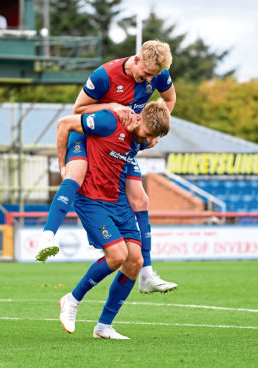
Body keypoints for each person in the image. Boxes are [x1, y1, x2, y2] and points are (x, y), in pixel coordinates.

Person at [37, 40, 178, 294]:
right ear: (137, 59)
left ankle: (146, 273)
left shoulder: (158, 74)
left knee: (141, 199)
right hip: (93, 129)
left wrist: (155, 127)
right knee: (76, 173)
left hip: (125, 138)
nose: (149, 80)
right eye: (146, 74)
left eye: (154, 76)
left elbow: (169, 100)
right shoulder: (104, 75)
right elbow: (77, 110)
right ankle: (48, 236)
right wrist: (113, 106)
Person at [56, 101, 171, 339]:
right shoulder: (112, 120)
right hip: (93, 197)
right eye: (148, 134)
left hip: (117, 197)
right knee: (118, 255)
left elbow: (150, 132)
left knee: (134, 261)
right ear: (139, 120)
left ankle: (104, 326)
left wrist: (148, 139)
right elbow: (69, 119)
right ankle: (72, 299)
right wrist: (63, 166)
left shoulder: (143, 134)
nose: (148, 139)